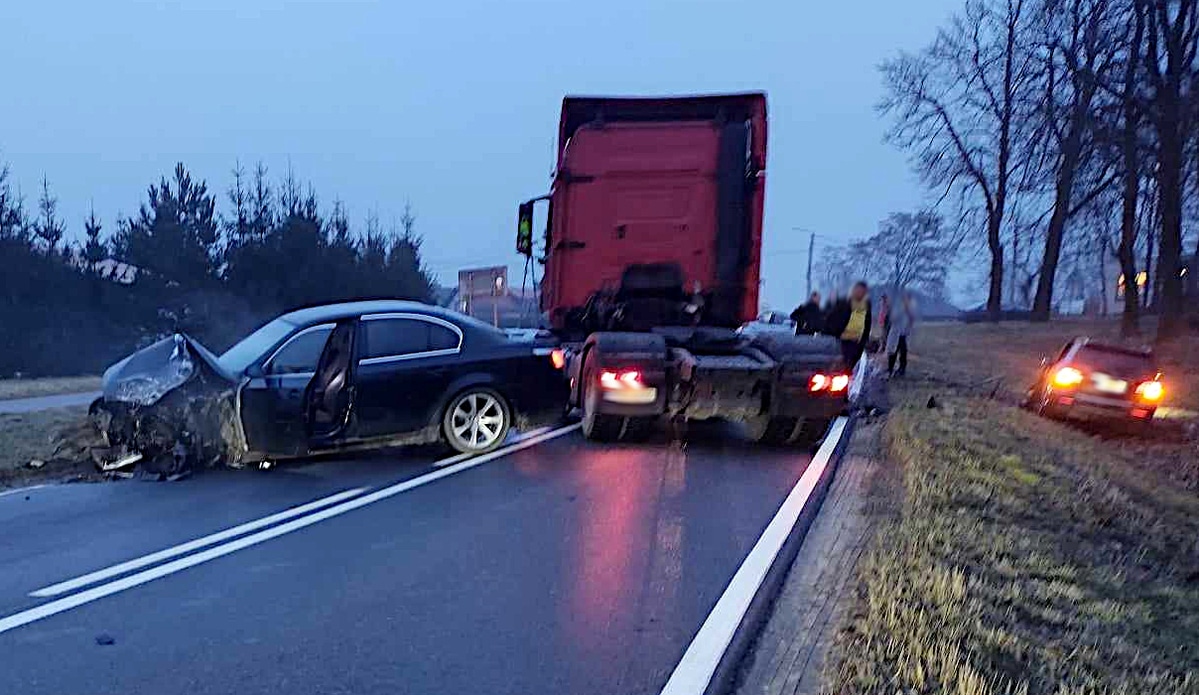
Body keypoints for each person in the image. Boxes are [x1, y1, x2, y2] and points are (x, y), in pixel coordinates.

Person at [823, 281, 872, 368]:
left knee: (854, 362)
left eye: (863, 291)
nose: (860, 293)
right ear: (853, 290)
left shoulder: (867, 304)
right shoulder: (844, 302)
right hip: (844, 338)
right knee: (843, 362)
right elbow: (831, 317)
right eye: (858, 290)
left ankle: (850, 376)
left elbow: (867, 322)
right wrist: (832, 332)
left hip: (858, 340)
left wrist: (865, 338)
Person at [887, 291, 915, 377]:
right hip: (895, 334)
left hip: (903, 334)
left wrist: (908, 330)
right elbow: (893, 319)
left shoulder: (910, 309)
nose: (907, 301)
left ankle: (902, 370)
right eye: (906, 299)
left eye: (908, 299)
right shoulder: (898, 308)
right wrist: (903, 310)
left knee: (903, 352)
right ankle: (890, 369)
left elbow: (911, 320)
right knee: (893, 352)